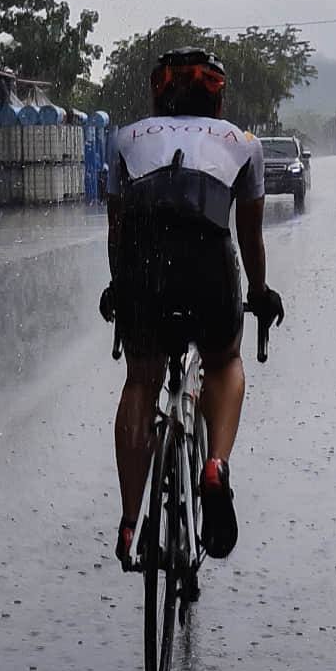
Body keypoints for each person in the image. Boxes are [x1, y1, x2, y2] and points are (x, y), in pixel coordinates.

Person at [100, 46, 284, 569]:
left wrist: (120, 285)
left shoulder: (126, 137)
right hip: (208, 263)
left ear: (159, 92)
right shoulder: (244, 144)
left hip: (144, 263)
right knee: (224, 361)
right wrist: (261, 292)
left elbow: (118, 229)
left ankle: (131, 521)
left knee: (141, 380)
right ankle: (215, 467)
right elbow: (248, 235)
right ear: (217, 96)